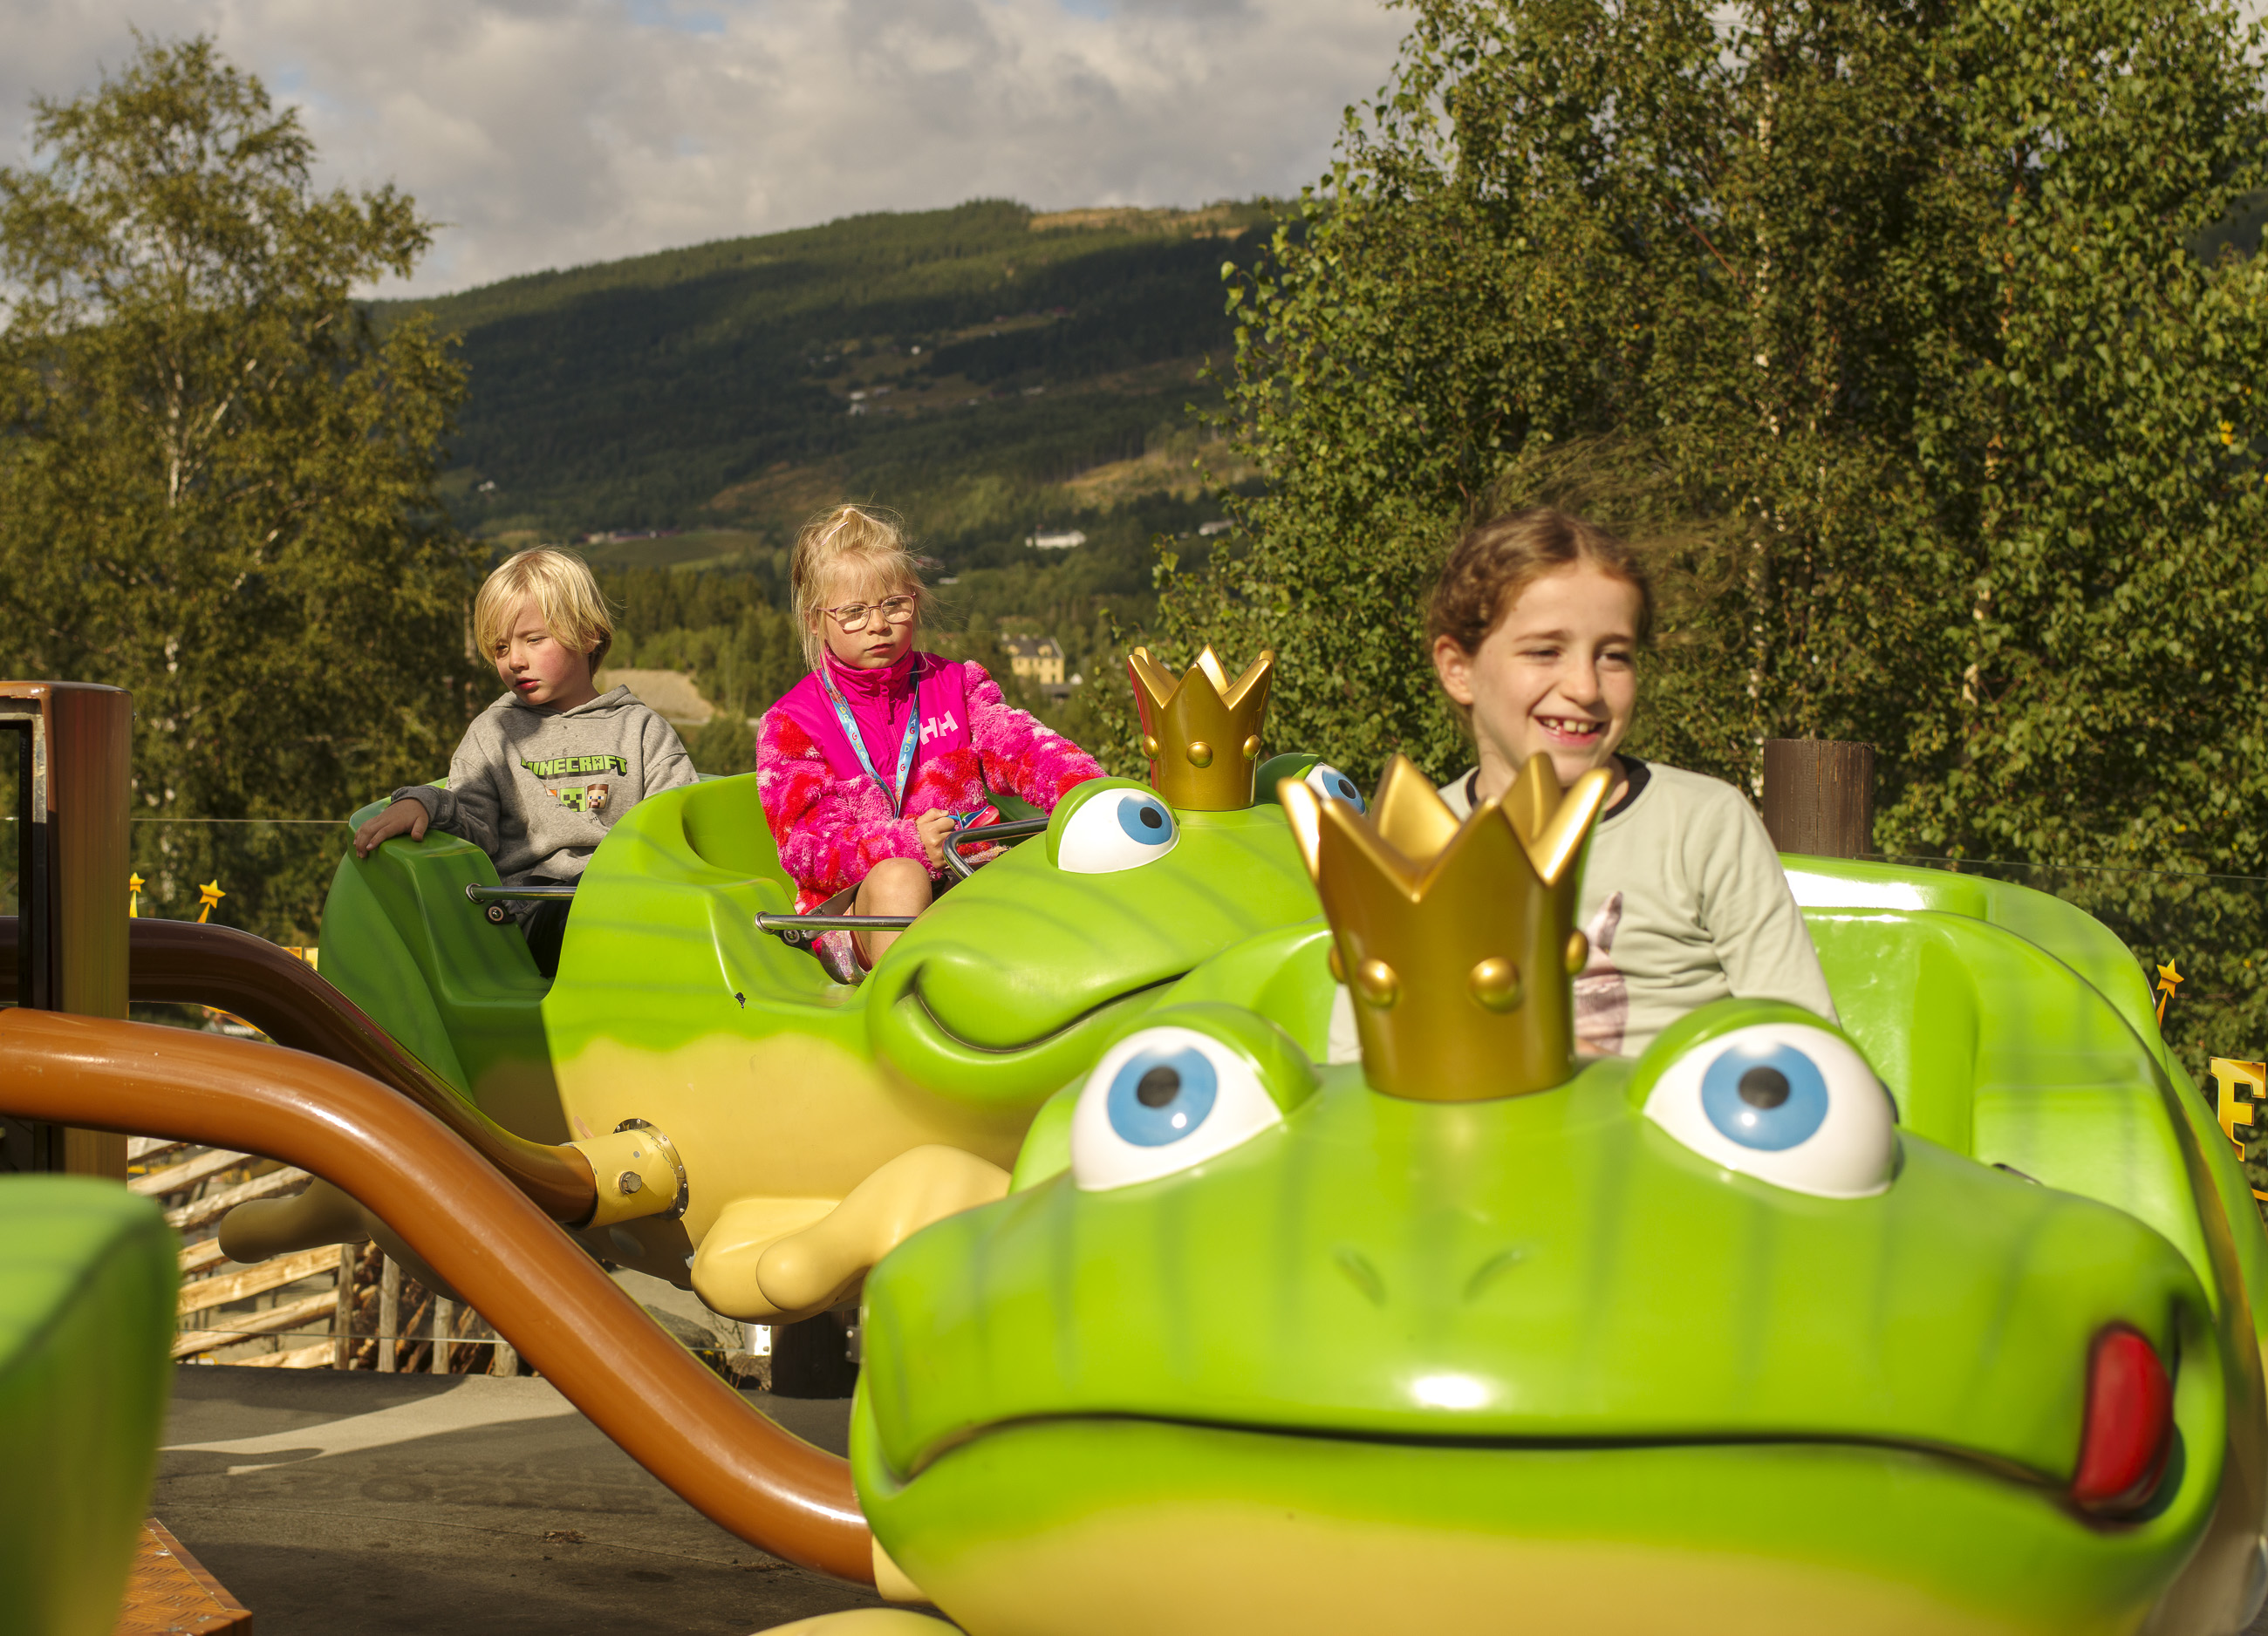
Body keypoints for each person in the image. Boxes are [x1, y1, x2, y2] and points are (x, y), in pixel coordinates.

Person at [1343, 505, 1835, 1060]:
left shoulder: (1702, 822)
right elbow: (1357, 1061)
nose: (1585, 687)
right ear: (1459, 669)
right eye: (1544, 651)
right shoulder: (1405, 845)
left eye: (1614, 656)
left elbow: (1808, 1049)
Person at [756, 504, 1102, 982]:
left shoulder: (957, 684)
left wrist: (1092, 793)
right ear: (816, 621)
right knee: (901, 876)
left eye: (893, 605)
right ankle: (902, 1006)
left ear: (915, 602)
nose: (878, 625)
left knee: (1050, 860)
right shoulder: (793, 723)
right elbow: (808, 849)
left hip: (968, 880)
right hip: (858, 914)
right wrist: (907, 845)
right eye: (853, 613)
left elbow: (1025, 749)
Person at [352, 547, 697, 978]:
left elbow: (676, 823)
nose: (515, 660)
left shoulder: (642, 730)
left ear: (589, 634)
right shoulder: (494, 733)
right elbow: (471, 821)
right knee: (592, 912)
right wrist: (423, 802)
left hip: (626, 894)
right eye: (500, 648)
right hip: (532, 910)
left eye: (533, 640)